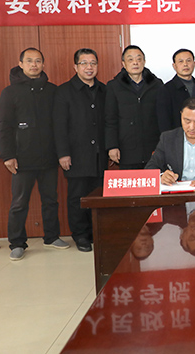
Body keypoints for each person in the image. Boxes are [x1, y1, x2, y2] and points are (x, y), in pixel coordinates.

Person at [0, 48, 69, 261]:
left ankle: (52, 237)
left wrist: (61, 152)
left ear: (43, 64)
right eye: (29, 61)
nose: (34, 65)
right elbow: (4, 126)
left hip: (49, 156)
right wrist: (8, 155)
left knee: (51, 200)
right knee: (19, 202)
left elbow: (59, 125)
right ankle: (17, 243)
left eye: (38, 61)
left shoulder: (53, 90)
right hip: (22, 158)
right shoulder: (10, 92)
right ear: (20, 64)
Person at [53, 48, 106, 252]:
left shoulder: (104, 90)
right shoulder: (64, 91)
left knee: (98, 196)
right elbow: (59, 126)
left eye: (93, 63)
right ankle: (81, 235)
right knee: (78, 197)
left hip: (99, 155)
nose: (89, 67)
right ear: (75, 67)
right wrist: (63, 153)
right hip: (76, 155)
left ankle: (95, 232)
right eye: (84, 63)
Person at [106, 45, 163, 169]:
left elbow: (162, 117)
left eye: (139, 59)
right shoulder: (113, 86)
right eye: (130, 59)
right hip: (126, 149)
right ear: (124, 64)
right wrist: (112, 146)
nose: (135, 62)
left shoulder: (157, 85)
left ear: (144, 62)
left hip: (153, 147)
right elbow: (110, 119)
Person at [157, 48, 195, 132]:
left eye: (188, 61)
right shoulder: (166, 90)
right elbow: (164, 121)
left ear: (194, 64)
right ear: (174, 66)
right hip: (177, 136)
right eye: (181, 61)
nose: (185, 64)